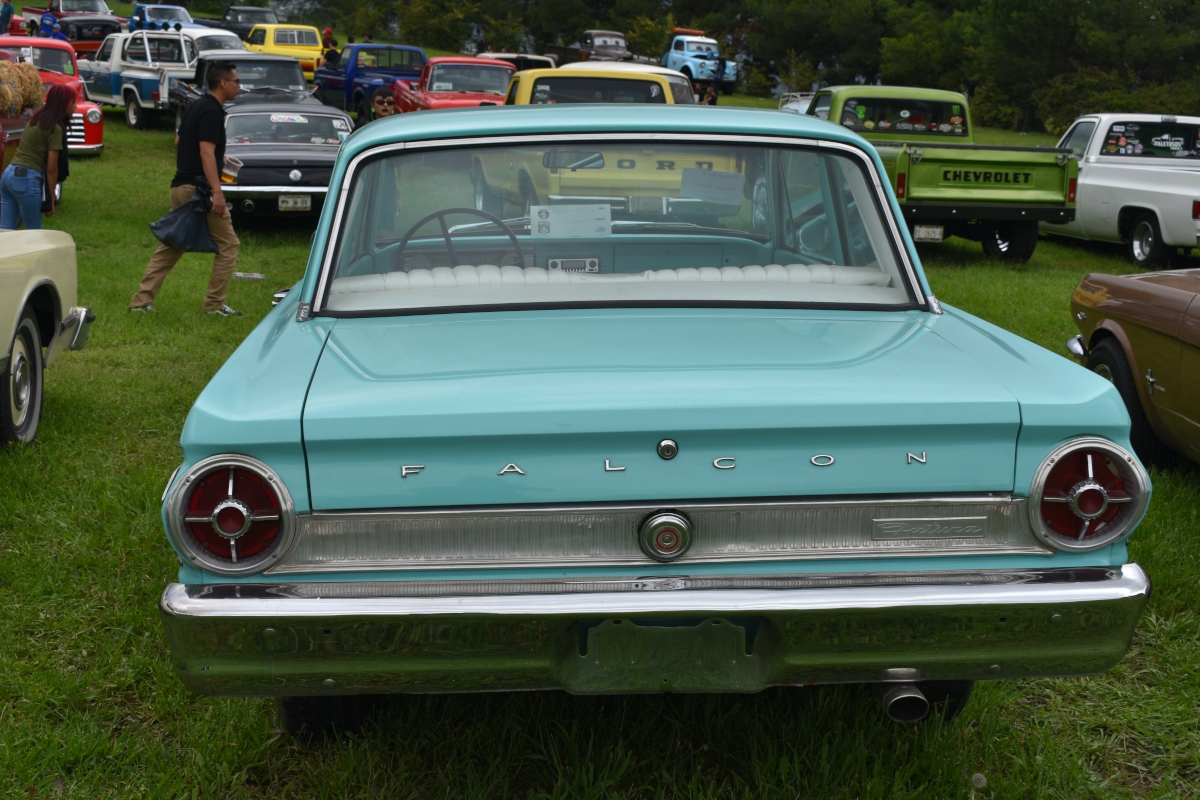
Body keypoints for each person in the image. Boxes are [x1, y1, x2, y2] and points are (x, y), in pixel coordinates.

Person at [130, 62, 242, 316]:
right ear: (223, 83)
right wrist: (217, 190)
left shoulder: (196, 106)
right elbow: (205, 150)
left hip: (180, 186)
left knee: (172, 244)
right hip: (198, 191)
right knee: (228, 245)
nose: (239, 86)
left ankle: (140, 302)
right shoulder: (213, 111)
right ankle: (214, 305)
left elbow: (179, 140)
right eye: (236, 81)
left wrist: (216, 157)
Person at [0, 84, 74, 230]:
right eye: (73, 102)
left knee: (4, 231)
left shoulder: (35, 120)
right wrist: (51, 199)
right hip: (26, 179)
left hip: (8, 175)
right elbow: (52, 168)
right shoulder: (55, 128)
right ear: (64, 104)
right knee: (34, 232)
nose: (76, 106)